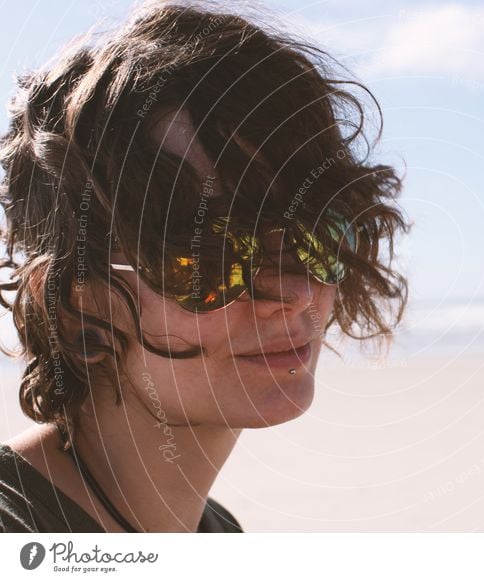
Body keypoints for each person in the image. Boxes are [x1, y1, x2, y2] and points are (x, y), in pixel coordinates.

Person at [0, 0, 409, 532]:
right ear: (81, 303)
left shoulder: (218, 535)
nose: (295, 291)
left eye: (316, 234)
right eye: (208, 259)